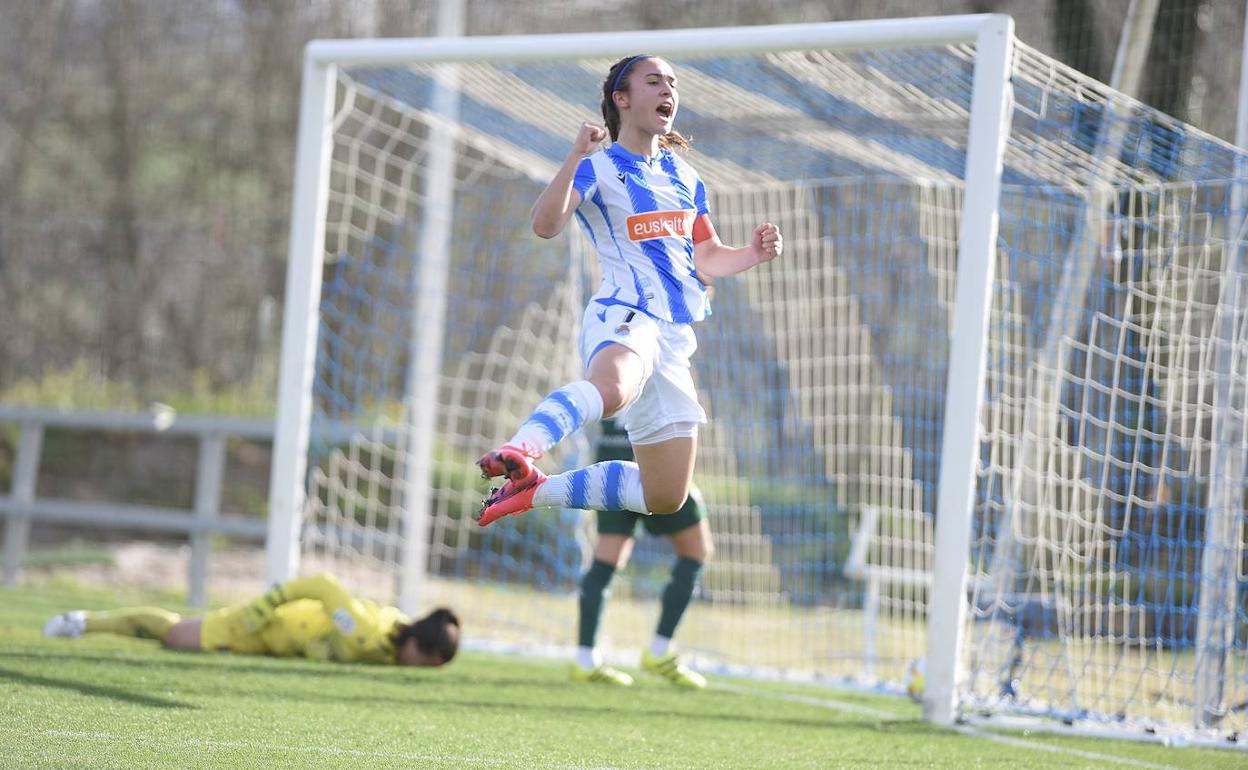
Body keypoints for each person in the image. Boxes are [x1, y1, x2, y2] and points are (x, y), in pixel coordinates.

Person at [475, 53, 782, 529]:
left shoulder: (685, 176)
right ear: (621, 99)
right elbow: (544, 225)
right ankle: (522, 446)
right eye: (654, 81)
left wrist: (752, 254)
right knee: (614, 390)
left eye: (672, 83)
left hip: (673, 338)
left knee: (666, 496)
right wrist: (575, 155)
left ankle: (534, 490)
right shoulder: (596, 168)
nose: (668, 91)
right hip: (625, 314)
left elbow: (706, 255)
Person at [42, 571, 459, 667]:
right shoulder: (365, 631)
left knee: (179, 639)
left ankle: (84, 623)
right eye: (425, 663)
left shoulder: (389, 650)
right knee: (174, 635)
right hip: (263, 625)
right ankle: (83, 622)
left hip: (273, 647)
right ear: (417, 645)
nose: (419, 670)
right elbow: (324, 584)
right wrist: (269, 602)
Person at [570, 418, 710, 688]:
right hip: (654, 460)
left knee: (607, 556)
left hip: (611, 460)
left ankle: (585, 660)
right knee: (696, 550)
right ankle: (659, 651)